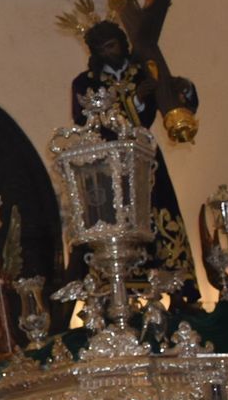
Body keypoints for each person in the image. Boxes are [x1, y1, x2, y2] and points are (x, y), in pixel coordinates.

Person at [71, 20, 201, 304]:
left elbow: (174, 106)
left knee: (162, 214)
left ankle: (180, 290)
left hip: (145, 156)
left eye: (112, 45)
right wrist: (134, 101)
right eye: (102, 49)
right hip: (111, 164)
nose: (109, 53)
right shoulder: (86, 83)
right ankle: (116, 295)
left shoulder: (144, 71)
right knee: (115, 222)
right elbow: (85, 121)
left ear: (122, 43)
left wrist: (183, 88)